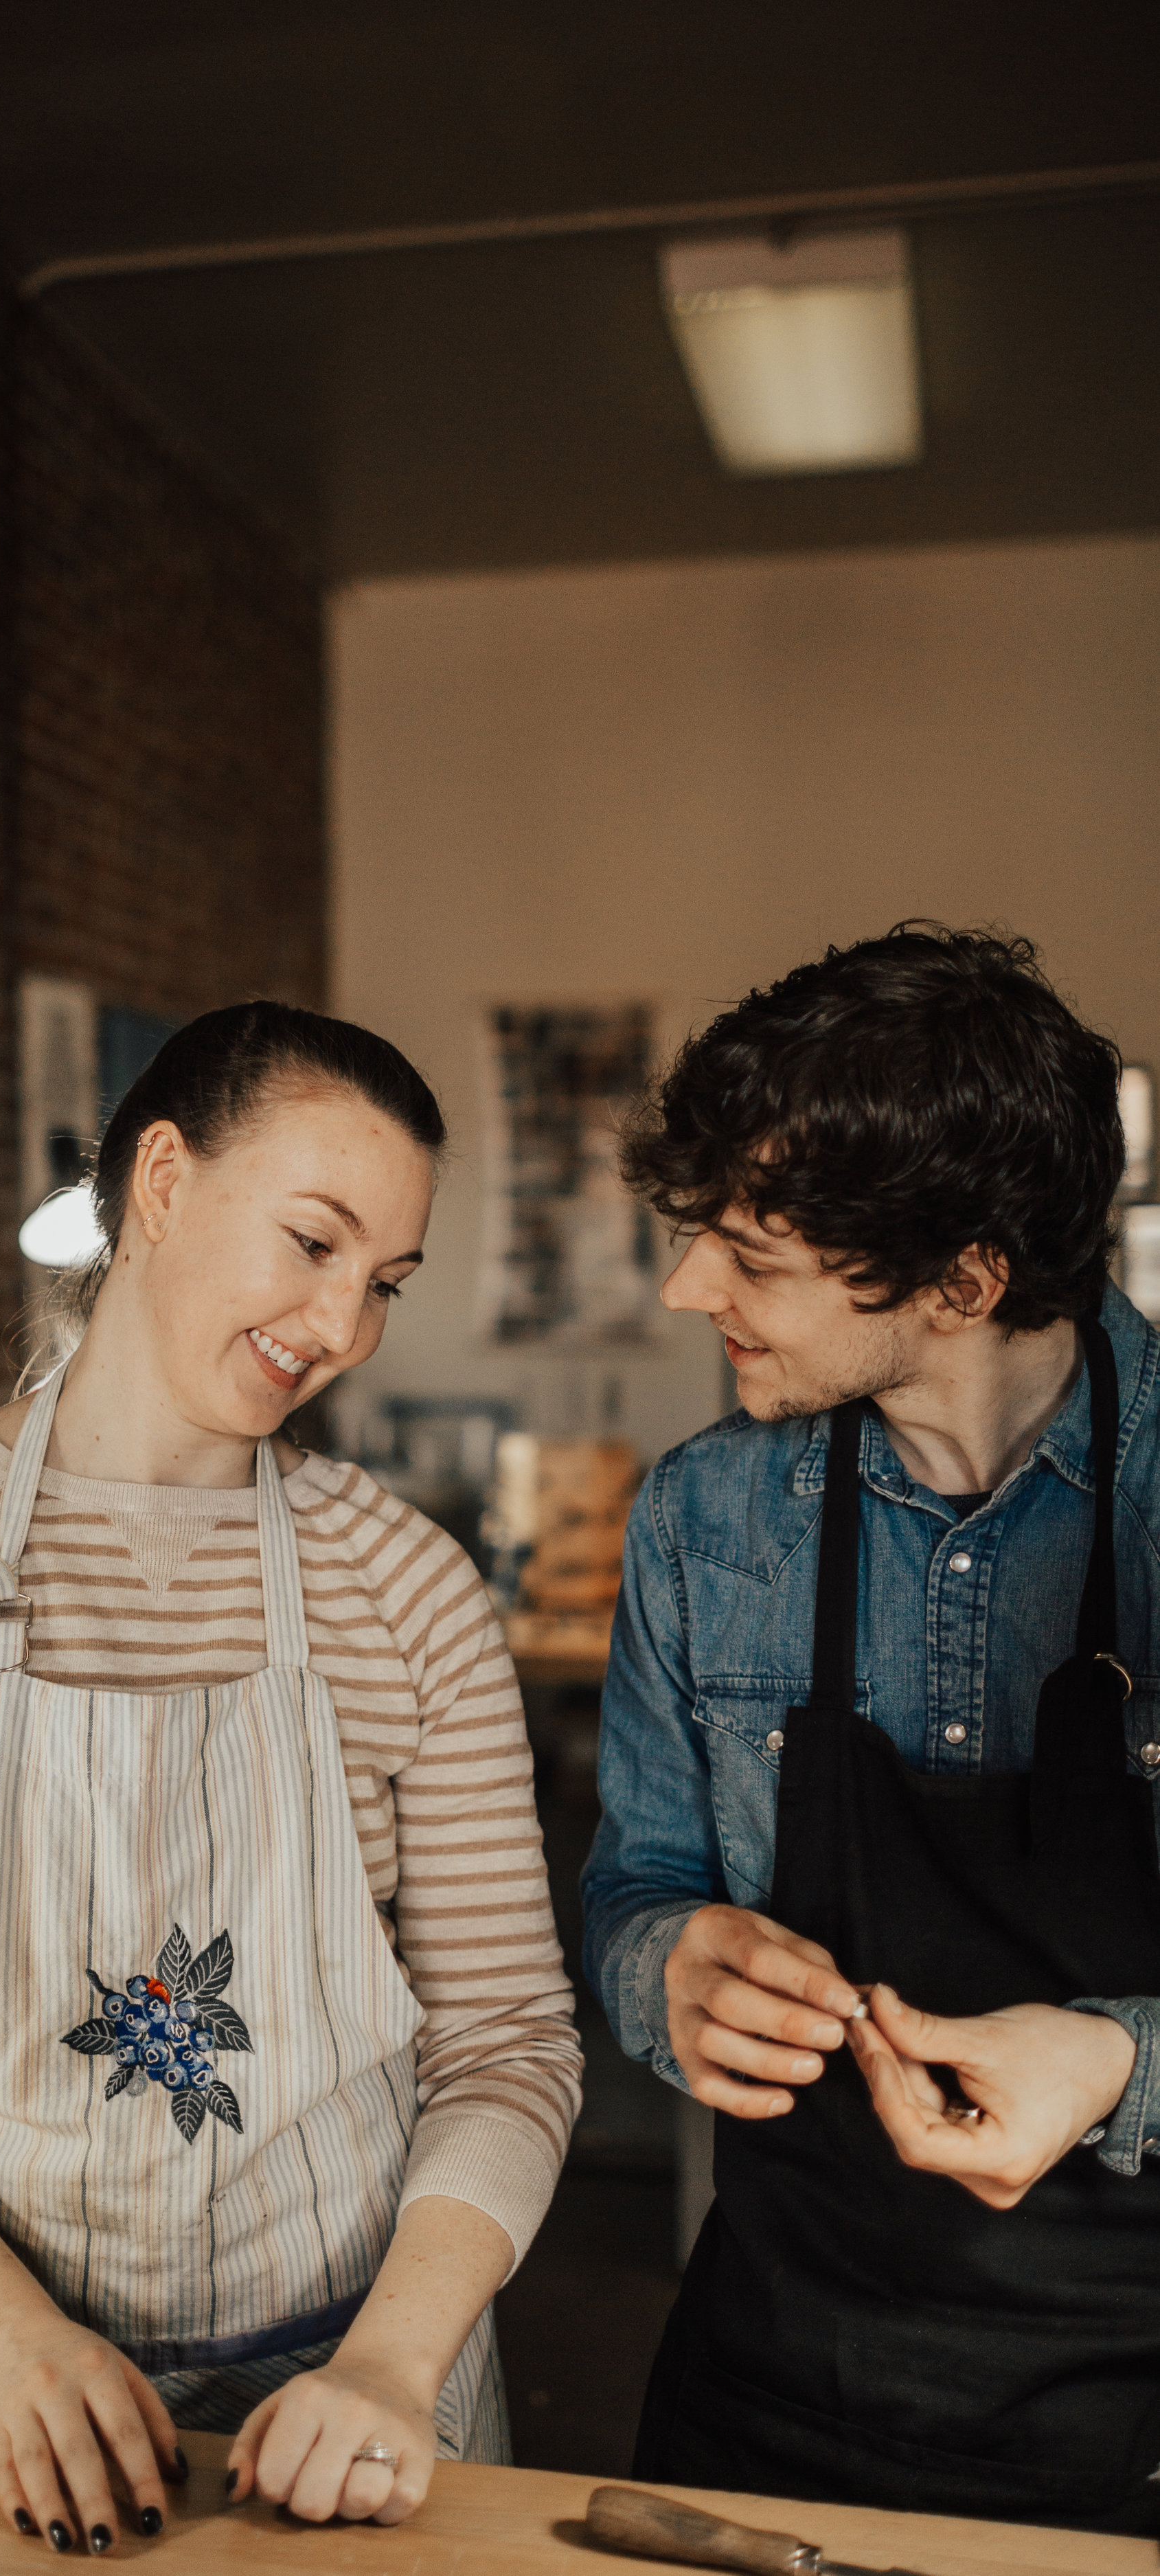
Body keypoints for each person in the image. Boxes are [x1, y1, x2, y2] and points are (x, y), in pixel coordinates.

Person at [0, 1000, 581, 2553]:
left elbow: (507, 2039)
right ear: (166, 1185)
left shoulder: (406, 1588)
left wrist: (391, 2362)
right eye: (313, 1244)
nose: (341, 1326)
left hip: (352, 2397)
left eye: (381, 1281)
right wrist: (3, 2334)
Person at [582, 926, 1160, 2537]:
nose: (688, 1288)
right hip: (767, 2379)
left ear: (964, 1278)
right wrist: (667, 1965)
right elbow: (634, 1880)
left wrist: (1119, 2061)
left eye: (751, 1259)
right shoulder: (703, 1518)